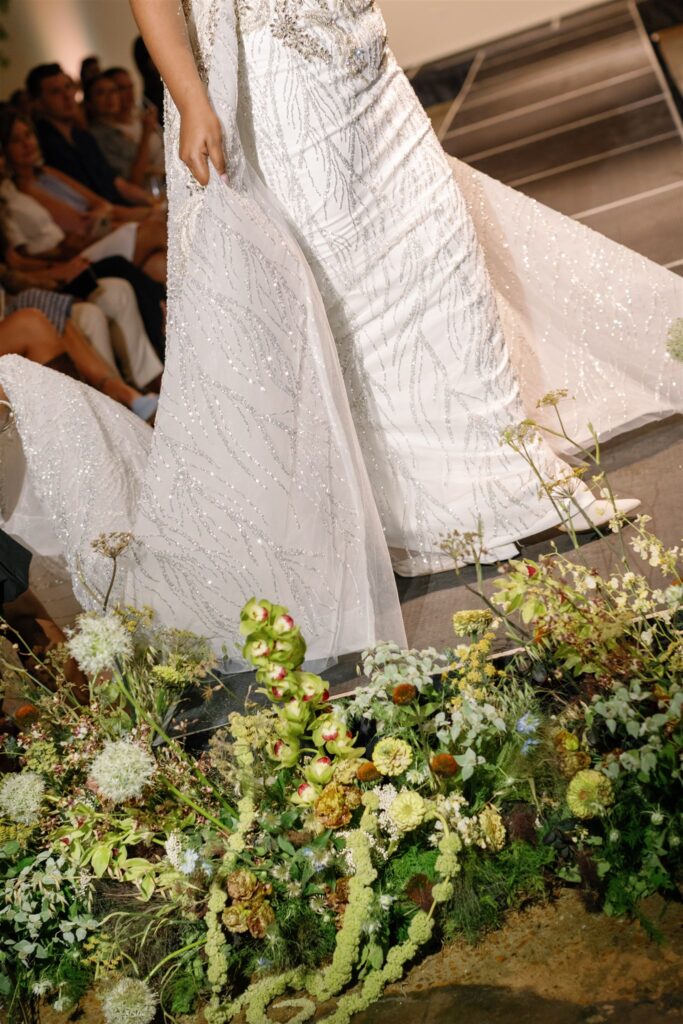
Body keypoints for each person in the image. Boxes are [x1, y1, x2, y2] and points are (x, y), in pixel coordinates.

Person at [1, 0, 680, 666]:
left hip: (360, 56)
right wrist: (191, 97)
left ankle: (504, 475)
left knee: (441, 257)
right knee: (350, 301)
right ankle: (415, 508)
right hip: (278, 87)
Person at [26, 64, 159, 210]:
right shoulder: (44, 147)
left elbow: (117, 183)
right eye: (56, 92)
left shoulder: (82, 137)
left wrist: (154, 202)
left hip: (121, 209)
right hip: (101, 219)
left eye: (68, 87)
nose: (67, 96)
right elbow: (86, 203)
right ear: (38, 103)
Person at [86, 70, 165, 187]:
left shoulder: (139, 117)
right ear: (89, 102)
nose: (110, 97)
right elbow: (134, 180)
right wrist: (146, 134)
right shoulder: (95, 136)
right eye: (101, 93)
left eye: (113, 91)